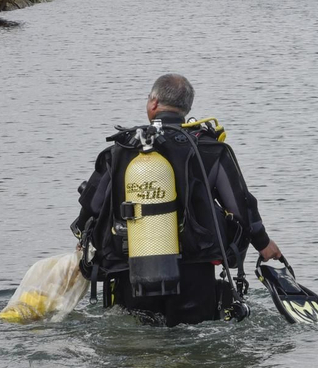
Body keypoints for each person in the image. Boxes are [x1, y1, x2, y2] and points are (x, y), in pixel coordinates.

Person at [71, 73, 283, 325]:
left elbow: (92, 207)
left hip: (133, 271)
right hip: (196, 271)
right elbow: (240, 207)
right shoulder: (211, 149)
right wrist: (263, 243)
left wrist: (81, 239)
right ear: (187, 109)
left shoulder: (120, 151)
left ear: (153, 103)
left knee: (139, 344)